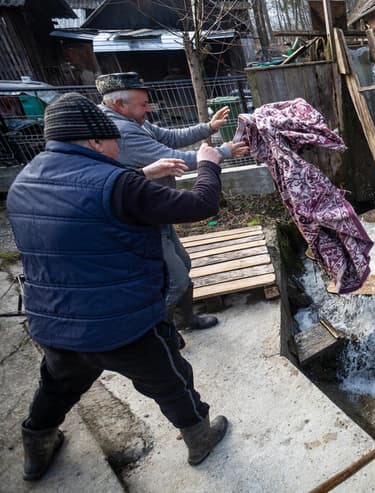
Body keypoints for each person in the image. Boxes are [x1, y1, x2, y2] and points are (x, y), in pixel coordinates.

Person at [7, 93, 229, 481]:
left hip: (54, 324)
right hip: (123, 326)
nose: (118, 147)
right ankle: (199, 438)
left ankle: (37, 447)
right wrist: (210, 165)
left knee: (56, 388)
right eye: (113, 140)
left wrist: (145, 174)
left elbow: (81, 202)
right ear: (94, 141)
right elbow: (201, 206)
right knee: (172, 383)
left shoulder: (24, 181)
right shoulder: (118, 183)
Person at [96, 72, 248, 339]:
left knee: (183, 264)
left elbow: (170, 137)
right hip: (143, 217)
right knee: (175, 280)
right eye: (143, 104)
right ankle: (159, 335)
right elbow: (175, 158)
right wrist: (221, 153)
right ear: (119, 104)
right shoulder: (121, 130)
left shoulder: (134, 120)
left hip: (158, 211)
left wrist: (208, 128)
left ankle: (184, 320)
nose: (148, 109)